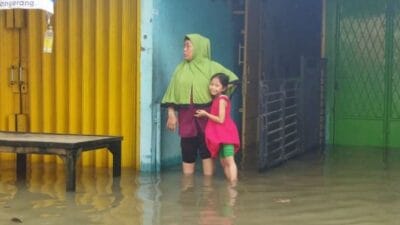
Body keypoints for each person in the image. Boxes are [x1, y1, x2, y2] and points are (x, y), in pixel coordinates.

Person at [161, 34, 239, 176]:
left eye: (188, 46)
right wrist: (171, 114)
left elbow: (232, 80)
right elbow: (171, 93)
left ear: (199, 48)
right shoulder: (180, 69)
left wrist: (220, 101)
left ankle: (208, 193)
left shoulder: (211, 67)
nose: (184, 50)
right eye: (184, 46)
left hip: (207, 120)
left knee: (206, 152)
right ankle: (187, 192)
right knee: (187, 152)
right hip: (186, 120)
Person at [195, 73, 240, 182]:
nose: (213, 87)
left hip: (227, 135)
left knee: (230, 161)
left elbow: (221, 119)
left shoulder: (221, 100)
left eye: (217, 85)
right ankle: (231, 187)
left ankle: (233, 185)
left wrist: (206, 114)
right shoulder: (217, 99)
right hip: (221, 136)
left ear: (223, 88)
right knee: (224, 163)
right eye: (212, 84)